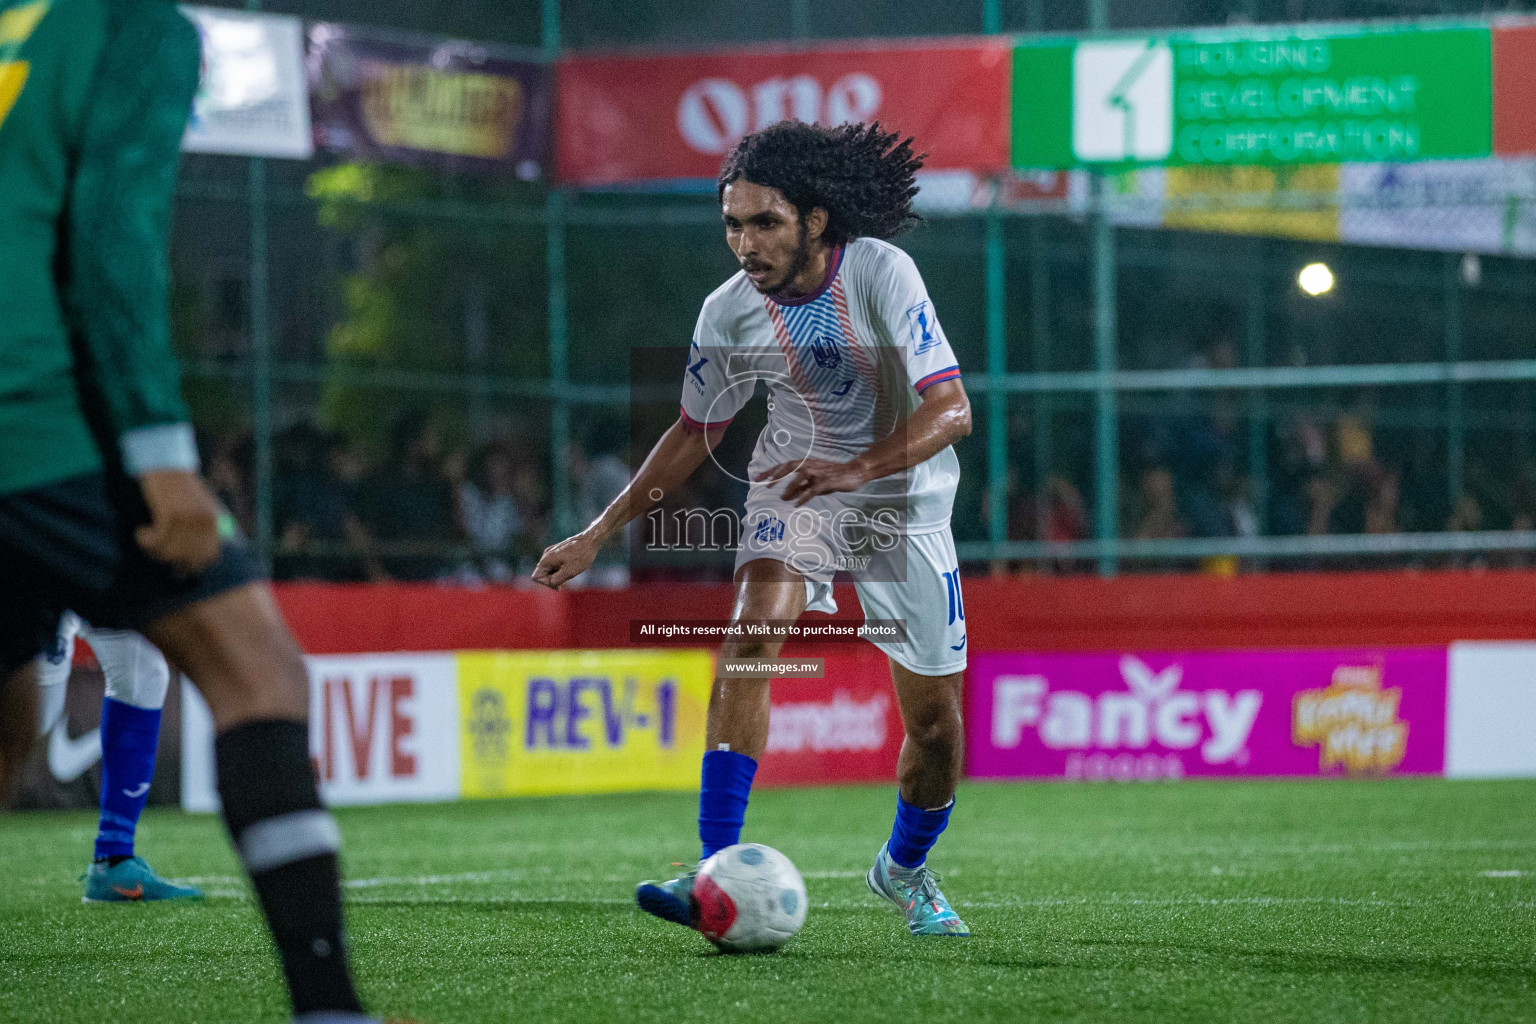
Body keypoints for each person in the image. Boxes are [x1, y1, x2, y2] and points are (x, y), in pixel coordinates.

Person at [0, 2, 386, 1019]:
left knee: (11, 726)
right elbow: (112, 237)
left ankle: (117, 851)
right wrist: (164, 456)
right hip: (41, 416)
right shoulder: (137, 30)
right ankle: (329, 1004)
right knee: (254, 663)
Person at [535, 120, 974, 937]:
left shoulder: (881, 271)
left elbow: (951, 409)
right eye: (732, 224)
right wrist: (596, 532)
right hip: (794, 489)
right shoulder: (729, 311)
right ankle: (712, 872)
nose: (745, 243)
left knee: (938, 731)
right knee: (748, 638)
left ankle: (905, 871)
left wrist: (853, 471)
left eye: (763, 222)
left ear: (814, 219)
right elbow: (692, 432)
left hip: (903, 503)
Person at [36, 613, 201, 901]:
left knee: (143, 675)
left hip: (90, 578)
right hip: (41, 578)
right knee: (32, 714)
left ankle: (114, 858)